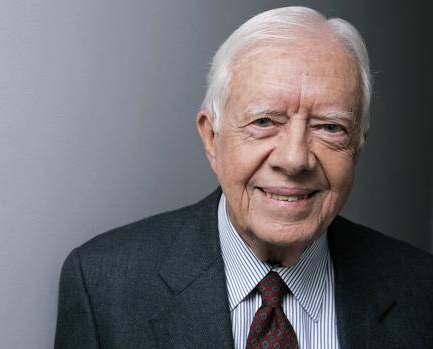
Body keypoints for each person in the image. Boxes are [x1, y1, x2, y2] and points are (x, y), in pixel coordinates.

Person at [55, 6, 433, 349]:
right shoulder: (103, 286)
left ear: (358, 145)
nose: (295, 159)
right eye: (265, 121)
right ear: (212, 137)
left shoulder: (422, 290)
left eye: (330, 128)